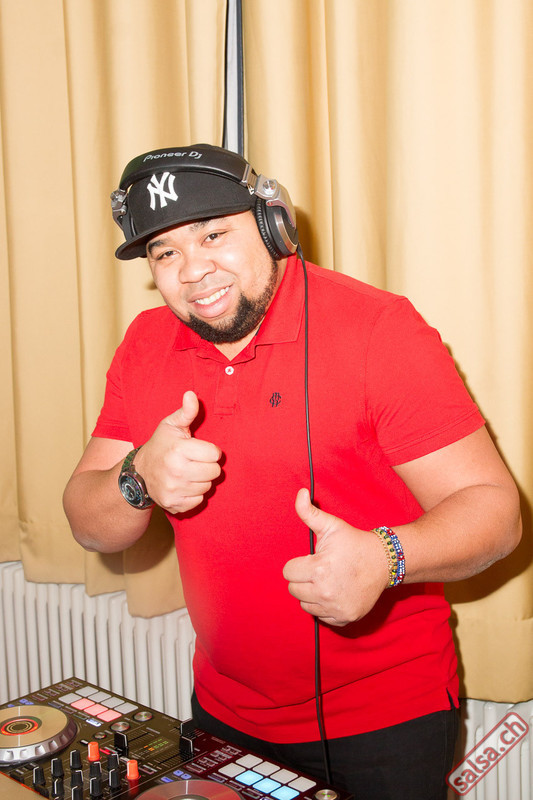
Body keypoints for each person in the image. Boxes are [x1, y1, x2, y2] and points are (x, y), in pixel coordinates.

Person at [63, 144, 521, 800]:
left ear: (273, 225)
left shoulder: (378, 330)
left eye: (213, 234)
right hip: (223, 710)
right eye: (165, 253)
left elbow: (495, 511)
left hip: (386, 720)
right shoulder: (145, 343)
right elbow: (89, 523)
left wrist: (385, 556)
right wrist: (137, 475)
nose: (193, 270)